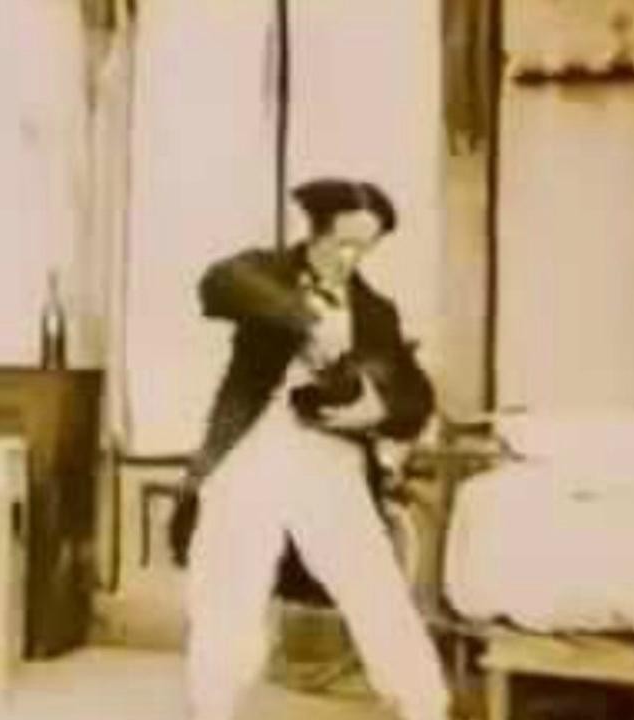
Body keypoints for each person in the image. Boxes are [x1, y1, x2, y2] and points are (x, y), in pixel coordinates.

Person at [169, 178, 452, 720]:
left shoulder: (376, 312)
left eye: (365, 247)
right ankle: (211, 708)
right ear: (316, 233)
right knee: (227, 586)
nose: (352, 259)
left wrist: (376, 409)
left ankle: (426, 708)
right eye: (343, 244)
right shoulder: (264, 273)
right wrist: (307, 319)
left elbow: (415, 394)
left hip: (329, 459)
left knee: (374, 586)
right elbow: (218, 284)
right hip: (252, 450)